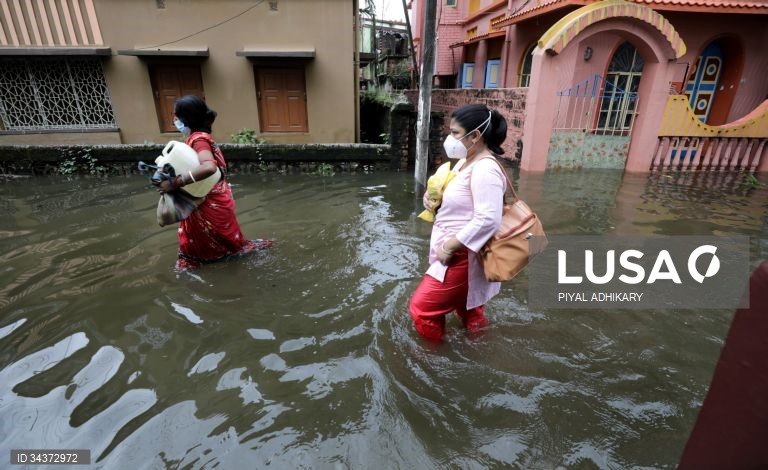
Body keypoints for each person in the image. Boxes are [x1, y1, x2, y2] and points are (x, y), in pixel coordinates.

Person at [409, 104, 509, 342]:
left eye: (455, 133)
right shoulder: (467, 162)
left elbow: (488, 219)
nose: (449, 138)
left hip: (462, 255)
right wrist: (434, 199)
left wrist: (450, 247)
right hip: (457, 249)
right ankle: (480, 348)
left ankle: (431, 363)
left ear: (475, 135)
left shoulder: (486, 170)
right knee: (468, 308)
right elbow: (464, 200)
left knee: (422, 310)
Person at [155, 95, 272, 270]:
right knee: (223, 240)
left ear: (188, 117)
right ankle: (225, 258)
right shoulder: (199, 137)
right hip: (212, 196)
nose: (175, 120)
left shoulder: (199, 139)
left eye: (177, 116)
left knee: (206, 242)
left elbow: (209, 167)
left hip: (209, 200)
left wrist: (175, 183)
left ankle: (203, 265)